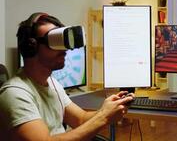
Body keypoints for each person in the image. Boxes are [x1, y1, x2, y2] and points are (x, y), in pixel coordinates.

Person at [0, 12, 134, 141]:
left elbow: (80, 118)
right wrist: (103, 117)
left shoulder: (52, 83)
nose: (65, 50)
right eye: (54, 42)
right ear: (32, 47)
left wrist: (108, 110)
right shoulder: (15, 93)